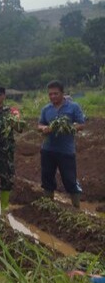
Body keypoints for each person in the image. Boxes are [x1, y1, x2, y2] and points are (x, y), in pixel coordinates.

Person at [37, 80, 85, 208]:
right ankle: (49, 205)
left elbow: (81, 124)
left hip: (66, 151)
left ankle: (76, 207)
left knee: (70, 179)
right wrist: (43, 128)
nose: (52, 96)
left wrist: (72, 127)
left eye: (55, 94)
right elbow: (40, 124)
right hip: (48, 150)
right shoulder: (46, 109)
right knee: (47, 179)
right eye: (50, 94)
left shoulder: (73, 107)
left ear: (62, 93)